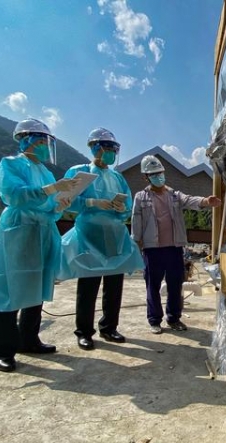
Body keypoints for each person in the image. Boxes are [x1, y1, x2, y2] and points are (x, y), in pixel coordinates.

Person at [0, 118, 77, 372]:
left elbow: (48, 207)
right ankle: (3, 350)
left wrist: (60, 205)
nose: (46, 147)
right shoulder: (10, 165)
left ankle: (29, 339)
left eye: (47, 142)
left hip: (42, 231)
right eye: (42, 141)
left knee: (36, 285)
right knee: (10, 289)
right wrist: (52, 189)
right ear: (28, 140)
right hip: (17, 230)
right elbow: (16, 195)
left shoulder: (46, 172)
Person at [58, 128, 143, 350]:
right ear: (96, 148)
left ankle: (109, 327)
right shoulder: (81, 172)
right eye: (109, 149)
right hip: (89, 235)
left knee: (114, 285)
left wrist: (120, 207)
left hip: (114, 235)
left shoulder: (117, 177)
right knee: (88, 284)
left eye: (115, 149)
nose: (112, 154)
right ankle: (84, 332)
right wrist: (91, 203)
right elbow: (67, 200)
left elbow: (127, 207)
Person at [131, 155, 221, 334]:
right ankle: (154, 320)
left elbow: (190, 200)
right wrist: (137, 244)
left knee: (175, 285)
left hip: (173, 248)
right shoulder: (141, 197)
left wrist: (206, 201)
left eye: (160, 173)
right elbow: (136, 221)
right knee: (153, 285)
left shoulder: (174, 195)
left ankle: (173, 318)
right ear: (146, 177)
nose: (158, 176)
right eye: (153, 174)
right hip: (152, 249)